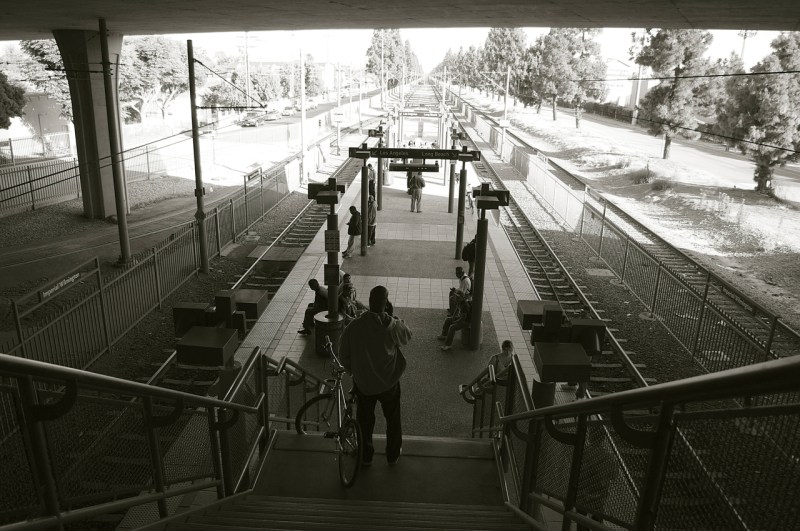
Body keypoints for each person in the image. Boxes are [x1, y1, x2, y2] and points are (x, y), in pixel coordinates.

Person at [339, 286, 412, 466]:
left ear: (369, 302)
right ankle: (393, 454)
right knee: (393, 419)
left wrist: (355, 371)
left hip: (364, 385)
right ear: (386, 303)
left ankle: (365, 455)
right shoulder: (392, 326)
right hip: (389, 383)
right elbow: (407, 336)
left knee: (365, 421)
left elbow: (343, 355)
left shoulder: (354, 326)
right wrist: (394, 318)